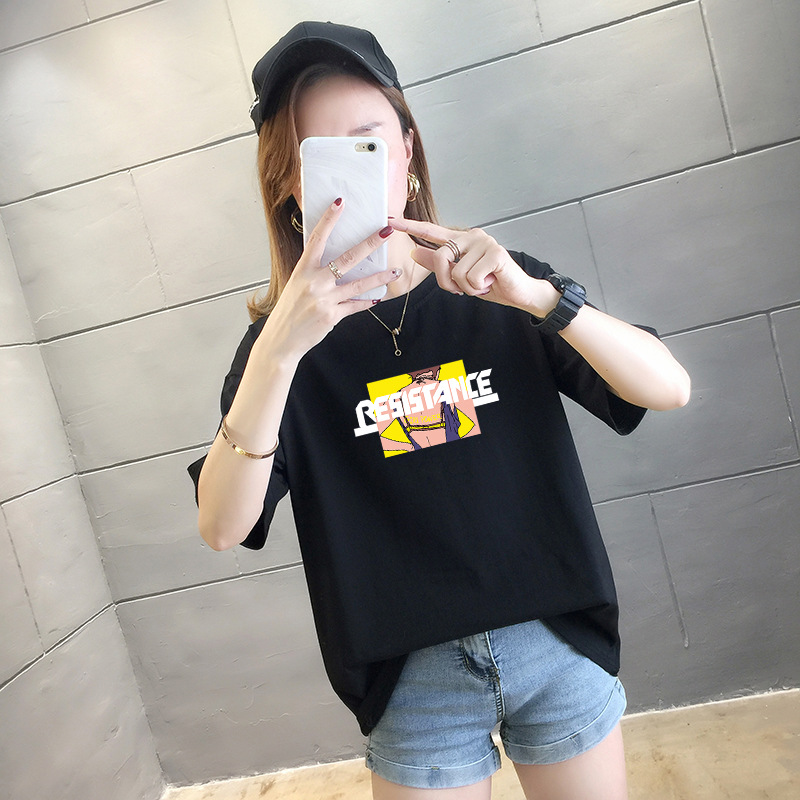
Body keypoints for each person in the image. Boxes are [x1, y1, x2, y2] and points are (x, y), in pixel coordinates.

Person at [188, 20, 690, 800]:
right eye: (323, 155)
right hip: (414, 685)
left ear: (408, 149)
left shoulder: (500, 287)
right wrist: (279, 352)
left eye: (369, 142)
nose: (354, 173)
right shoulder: (277, 351)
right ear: (289, 182)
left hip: (556, 642)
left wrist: (536, 298)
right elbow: (222, 527)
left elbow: (668, 388)